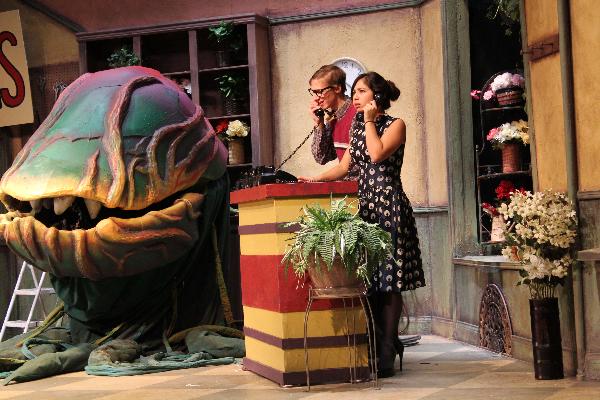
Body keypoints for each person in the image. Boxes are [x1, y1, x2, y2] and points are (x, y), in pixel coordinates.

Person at [299, 72, 425, 378]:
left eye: (362, 91)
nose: (355, 97)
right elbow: (344, 167)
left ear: (377, 96)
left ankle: (387, 348)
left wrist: (369, 121)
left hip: (390, 208)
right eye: (354, 91)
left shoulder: (396, 124)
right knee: (370, 281)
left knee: (390, 280)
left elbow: (377, 154)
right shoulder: (357, 125)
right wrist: (312, 180)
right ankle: (382, 342)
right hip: (366, 208)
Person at [308, 65, 356, 165]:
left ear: (337, 88)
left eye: (319, 92)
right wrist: (319, 123)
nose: (316, 98)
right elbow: (321, 158)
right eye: (313, 92)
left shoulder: (356, 113)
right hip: (345, 175)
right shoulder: (333, 118)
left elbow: (354, 162)